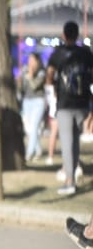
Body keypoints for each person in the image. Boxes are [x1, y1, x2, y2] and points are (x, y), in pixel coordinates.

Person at [46, 21, 93, 196]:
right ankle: (74, 171)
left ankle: (69, 181)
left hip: (65, 104)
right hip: (82, 103)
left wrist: (52, 86)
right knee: (75, 142)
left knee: (67, 143)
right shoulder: (86, 53)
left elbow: (50, 75)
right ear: (77, 34)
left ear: (64, 35)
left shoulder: (58, 53)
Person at [18, 51, 47, 163]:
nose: (30, 62)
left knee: (34, 126)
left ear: (37, 61)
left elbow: (35, 86)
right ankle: (38, 149)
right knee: (29, 129)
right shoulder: (24, 70)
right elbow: (21, 88)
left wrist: (30, 76)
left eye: (32, 59)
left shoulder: (41, 72)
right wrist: (20, 81)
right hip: (27, 101)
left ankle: (29, 153)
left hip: (38, 101)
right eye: (29, 59)